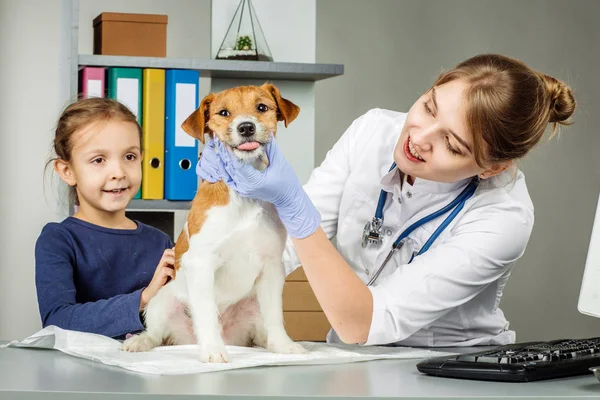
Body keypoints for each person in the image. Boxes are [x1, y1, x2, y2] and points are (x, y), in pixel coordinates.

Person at [197, 54, 576, 347]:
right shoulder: (373, 131)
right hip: (351, 360)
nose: (420, 137)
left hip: (450, 367)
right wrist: (195, 276)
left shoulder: (504, 217)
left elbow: (363, 322)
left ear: (491, 169)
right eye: (429, 107)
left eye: (452, 144)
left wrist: (293, 203)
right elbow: (282, 250)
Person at [35, 97, 175, 339]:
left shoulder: (160, 243)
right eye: (98, 160)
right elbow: (57, 321)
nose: (118, 173)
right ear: (67, 171)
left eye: (129, 157)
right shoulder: (58, 240)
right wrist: (143, 299)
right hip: (83, 374)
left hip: (148, 371)